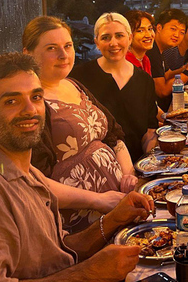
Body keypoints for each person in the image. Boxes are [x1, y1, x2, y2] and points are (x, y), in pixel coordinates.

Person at [0, 52, 153, 282]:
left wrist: (114, 219)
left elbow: (59, 253)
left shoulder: (21, 170)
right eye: (11, 101)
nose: (30, 110)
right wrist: (90, 274)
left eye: (36, 97)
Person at [22, 16, 137, 231]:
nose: (63, 55)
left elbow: (113, 134)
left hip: (116, 206)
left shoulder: (74, 85)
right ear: (28, 54)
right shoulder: (31, 104)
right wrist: (97, 200)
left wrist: (129, 175)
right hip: (80, 223)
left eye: (67, 46)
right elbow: (33, 180)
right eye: (51, 48)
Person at [71, 13, 159, 162]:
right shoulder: (79, 78)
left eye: (119, 36)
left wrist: (149, 162)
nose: (113, 43)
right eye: (105, 38)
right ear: (97, 43)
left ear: (129, 38)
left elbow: (149, 132)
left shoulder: (144, 81)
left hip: (138, 164)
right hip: (96, 167)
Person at [146, 9, 188, 111]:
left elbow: (167, 74)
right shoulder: (151, 51)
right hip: (158, 112)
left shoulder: (160, 49)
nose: (177, 35)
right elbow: (162, 91)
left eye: (182, 32)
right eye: (173, 29)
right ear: (159, 28)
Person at [125, 10, 155, 75]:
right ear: (128, 35)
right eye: (140, 31)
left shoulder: (145, 59)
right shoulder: (125, 63)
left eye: (150, 29)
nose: (148, 35)